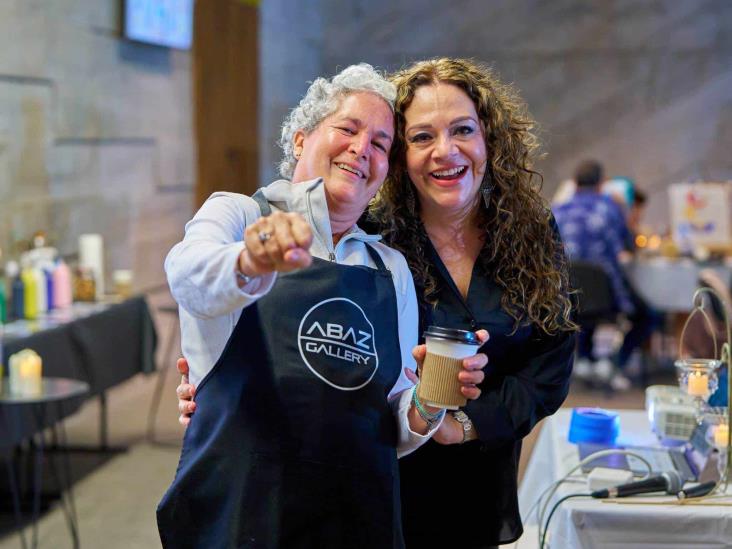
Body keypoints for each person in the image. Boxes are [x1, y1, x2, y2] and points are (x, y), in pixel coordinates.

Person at [177, 58, 576, 548]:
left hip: (440, 487)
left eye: (380, 142)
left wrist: (446, 414)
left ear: (489, 138)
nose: (444, 151)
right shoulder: (268, 218)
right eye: (421, 137)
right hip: (295, 495)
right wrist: (216, 368)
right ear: (301, 137)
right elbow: (193, 277)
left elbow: (542, 361)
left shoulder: (397, 261)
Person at [554, 160, 654, 390]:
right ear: (601, 184)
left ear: (574, 184)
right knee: (648, 316)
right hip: (605, 293)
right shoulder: (609, 207)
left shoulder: (558, 209)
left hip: (567, 295)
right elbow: (630, 245)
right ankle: (614, 363)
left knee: (584, 307)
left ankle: (587, 360)